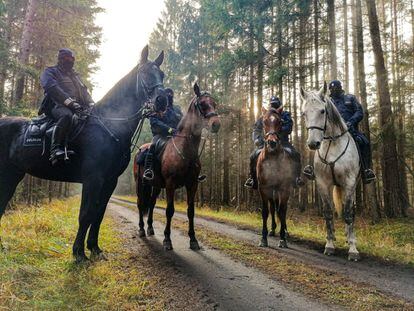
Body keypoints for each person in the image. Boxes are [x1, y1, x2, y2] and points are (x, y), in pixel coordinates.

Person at [303, 80, 376, 184]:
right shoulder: (328, 102)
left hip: (351, 130)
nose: (334, 90)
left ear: (341, 88)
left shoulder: (350, 98)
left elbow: (359, 112)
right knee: (314, 141)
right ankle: (311, 168)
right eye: (332, 89)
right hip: (331, 133)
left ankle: (366, 171)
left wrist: (351, 122)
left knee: (364, 142)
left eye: (336, 88)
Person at [40, 48, 94, 164]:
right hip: (56, 106)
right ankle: (55, 150)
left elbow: (84, 92)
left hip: (77, 108)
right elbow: (52, 87)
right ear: (60, 59)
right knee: (67, 116)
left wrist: (91, 103)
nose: (70, 61)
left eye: (72, 59)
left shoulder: (76, 76)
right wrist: (69, 102)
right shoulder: (50, 71)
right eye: (67, 58)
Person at [143, 88, 207, 182]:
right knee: (152, 145)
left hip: (176, 135)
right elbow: (155, 122)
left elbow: (184, 120)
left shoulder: (177, 109)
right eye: (168, 94)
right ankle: (148, 170)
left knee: (190, 147)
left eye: (171, 94)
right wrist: (169, 129)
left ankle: (194, 172)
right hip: (161, 136)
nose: (170, 95)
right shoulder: (158, 107)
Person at [244, 96, 305, 189]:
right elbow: (256, 129)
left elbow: (288, 127)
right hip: (266, 143)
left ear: (279, 105)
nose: (274, 106)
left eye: (276, 104)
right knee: (253, 156)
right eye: (272, 104)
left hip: (283, 142)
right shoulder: (265, 115)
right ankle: (253, 179)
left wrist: (277, 134)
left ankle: (296, 178)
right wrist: (257, 139)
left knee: (295, 154)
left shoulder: (285, 115)